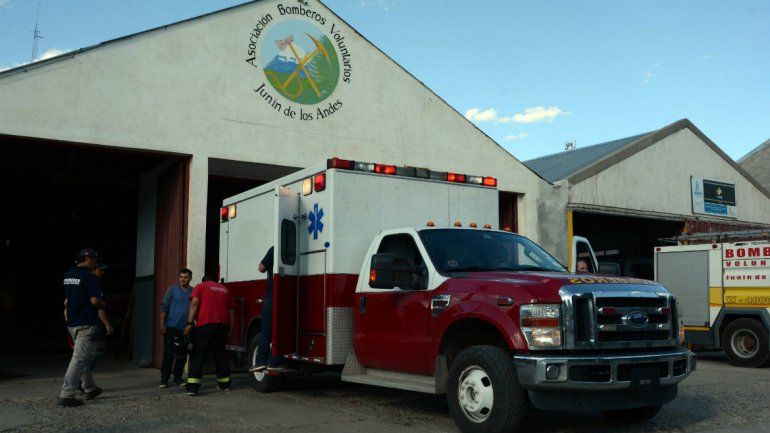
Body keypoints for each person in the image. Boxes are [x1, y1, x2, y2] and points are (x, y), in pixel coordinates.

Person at [58, 248, 105, 407]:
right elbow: (94, 301)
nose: (96, 263)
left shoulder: (68, 276)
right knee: (79, 359)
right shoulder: (90, 278)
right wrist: (102, 304)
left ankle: (90, 388)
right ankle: (66, 394)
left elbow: (66, 301)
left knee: (81, 356)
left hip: (72, 323)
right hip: (86, 323)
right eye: (95, 260)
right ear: (88, 259)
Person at [184, 275, 234, 396]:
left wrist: (189, 323)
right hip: (222, 326)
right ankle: (224, 384)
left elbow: (195, 302)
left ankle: (193, 387)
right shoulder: (224, 289)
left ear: (203, 281)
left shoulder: (200, 286)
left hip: (205, 324)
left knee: (198, 354)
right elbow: (231, 311)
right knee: (220, 354)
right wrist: (230, 328)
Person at [250, 247, 284, 373]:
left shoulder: (274, 249)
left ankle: (260, 362)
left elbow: (261, 268)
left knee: (266, 330)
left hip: (271, 296)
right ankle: (274, 362)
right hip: (282, 295)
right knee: (279, 330)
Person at [158, 268, 193, 387]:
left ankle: (177, 378)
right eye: (181, 277)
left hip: (186, 329)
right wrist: (162, 324)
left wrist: (191, 325)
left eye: (186, 277)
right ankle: (164, 379)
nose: (183, 279)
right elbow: (164, 307)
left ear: (190, 278)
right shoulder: (172, 290)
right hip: (171, 327)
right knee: (168, 355)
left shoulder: (193, 292)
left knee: (182, 356)